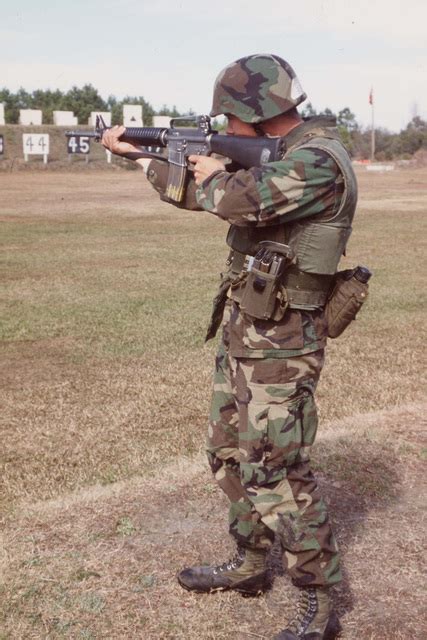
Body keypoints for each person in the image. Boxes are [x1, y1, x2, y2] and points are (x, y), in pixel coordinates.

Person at [102, 53, 358, 640]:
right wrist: (141, 156)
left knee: (275, 468)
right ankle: (249, 563)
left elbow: (233, 199)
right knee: (226, 452)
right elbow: (201, 193)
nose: (222, 129)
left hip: (284, 341)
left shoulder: (318, 162)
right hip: (246, 329)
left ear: (255, 112)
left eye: (228, 120)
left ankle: (318, 600)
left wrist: (212, 168)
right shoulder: (280, 158)